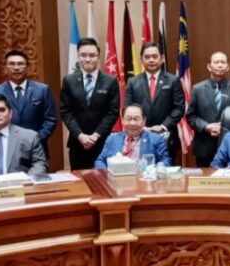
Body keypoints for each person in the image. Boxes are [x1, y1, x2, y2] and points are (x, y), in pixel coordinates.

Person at [60, 37, 120, 170]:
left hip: (102, 142)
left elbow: (113, 112)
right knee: (80, 180)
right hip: (77, 142)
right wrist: (80, 135)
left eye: (92, 55)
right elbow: (65, 111)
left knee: (103, 180)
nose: (88, 59)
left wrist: (96, 135)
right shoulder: (69, 80)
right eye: (83, 55)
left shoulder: (110, 81)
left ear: (98, 57)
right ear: (78, 57)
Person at [0, 49, 57, 157]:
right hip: (6, 148)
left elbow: (51, 119)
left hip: (36, 148)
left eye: (20, 64)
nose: (16, 68)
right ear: (5, 68)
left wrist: (36, 139)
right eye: (12, 64)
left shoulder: (42, 90)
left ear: (28, 68)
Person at [124, 41, 185, 158]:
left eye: (154, 56)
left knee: (166, 167)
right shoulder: (132, 82)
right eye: (147, 57)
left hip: (166, 136)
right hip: (139, 135)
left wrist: (162, 126)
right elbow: (128, 108)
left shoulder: (173, 80)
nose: (151, 60)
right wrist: (141, 126)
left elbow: (179, 108)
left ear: (162, 59)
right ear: (141, 60)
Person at [186, 51, 230, 167]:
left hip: (228, 144)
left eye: (223, 62)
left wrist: (223, 128)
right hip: (204, 145)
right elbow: (191, 116)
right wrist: (206, 127)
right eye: (216, 62)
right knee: (205, 177)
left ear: (228, 67)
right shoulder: (198, 89)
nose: (220, 65)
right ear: (209, 67)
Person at [94, 104, 170, 169]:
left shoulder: (156, 139)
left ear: (144, 121)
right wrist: (106, 173)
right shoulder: (112, 139)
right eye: (128, 119)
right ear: (122, 120)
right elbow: (100, 161)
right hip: (116, 179)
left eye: (136, 119)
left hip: (143, 179)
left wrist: (152, 171)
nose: (132, 123)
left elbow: (166, 161)